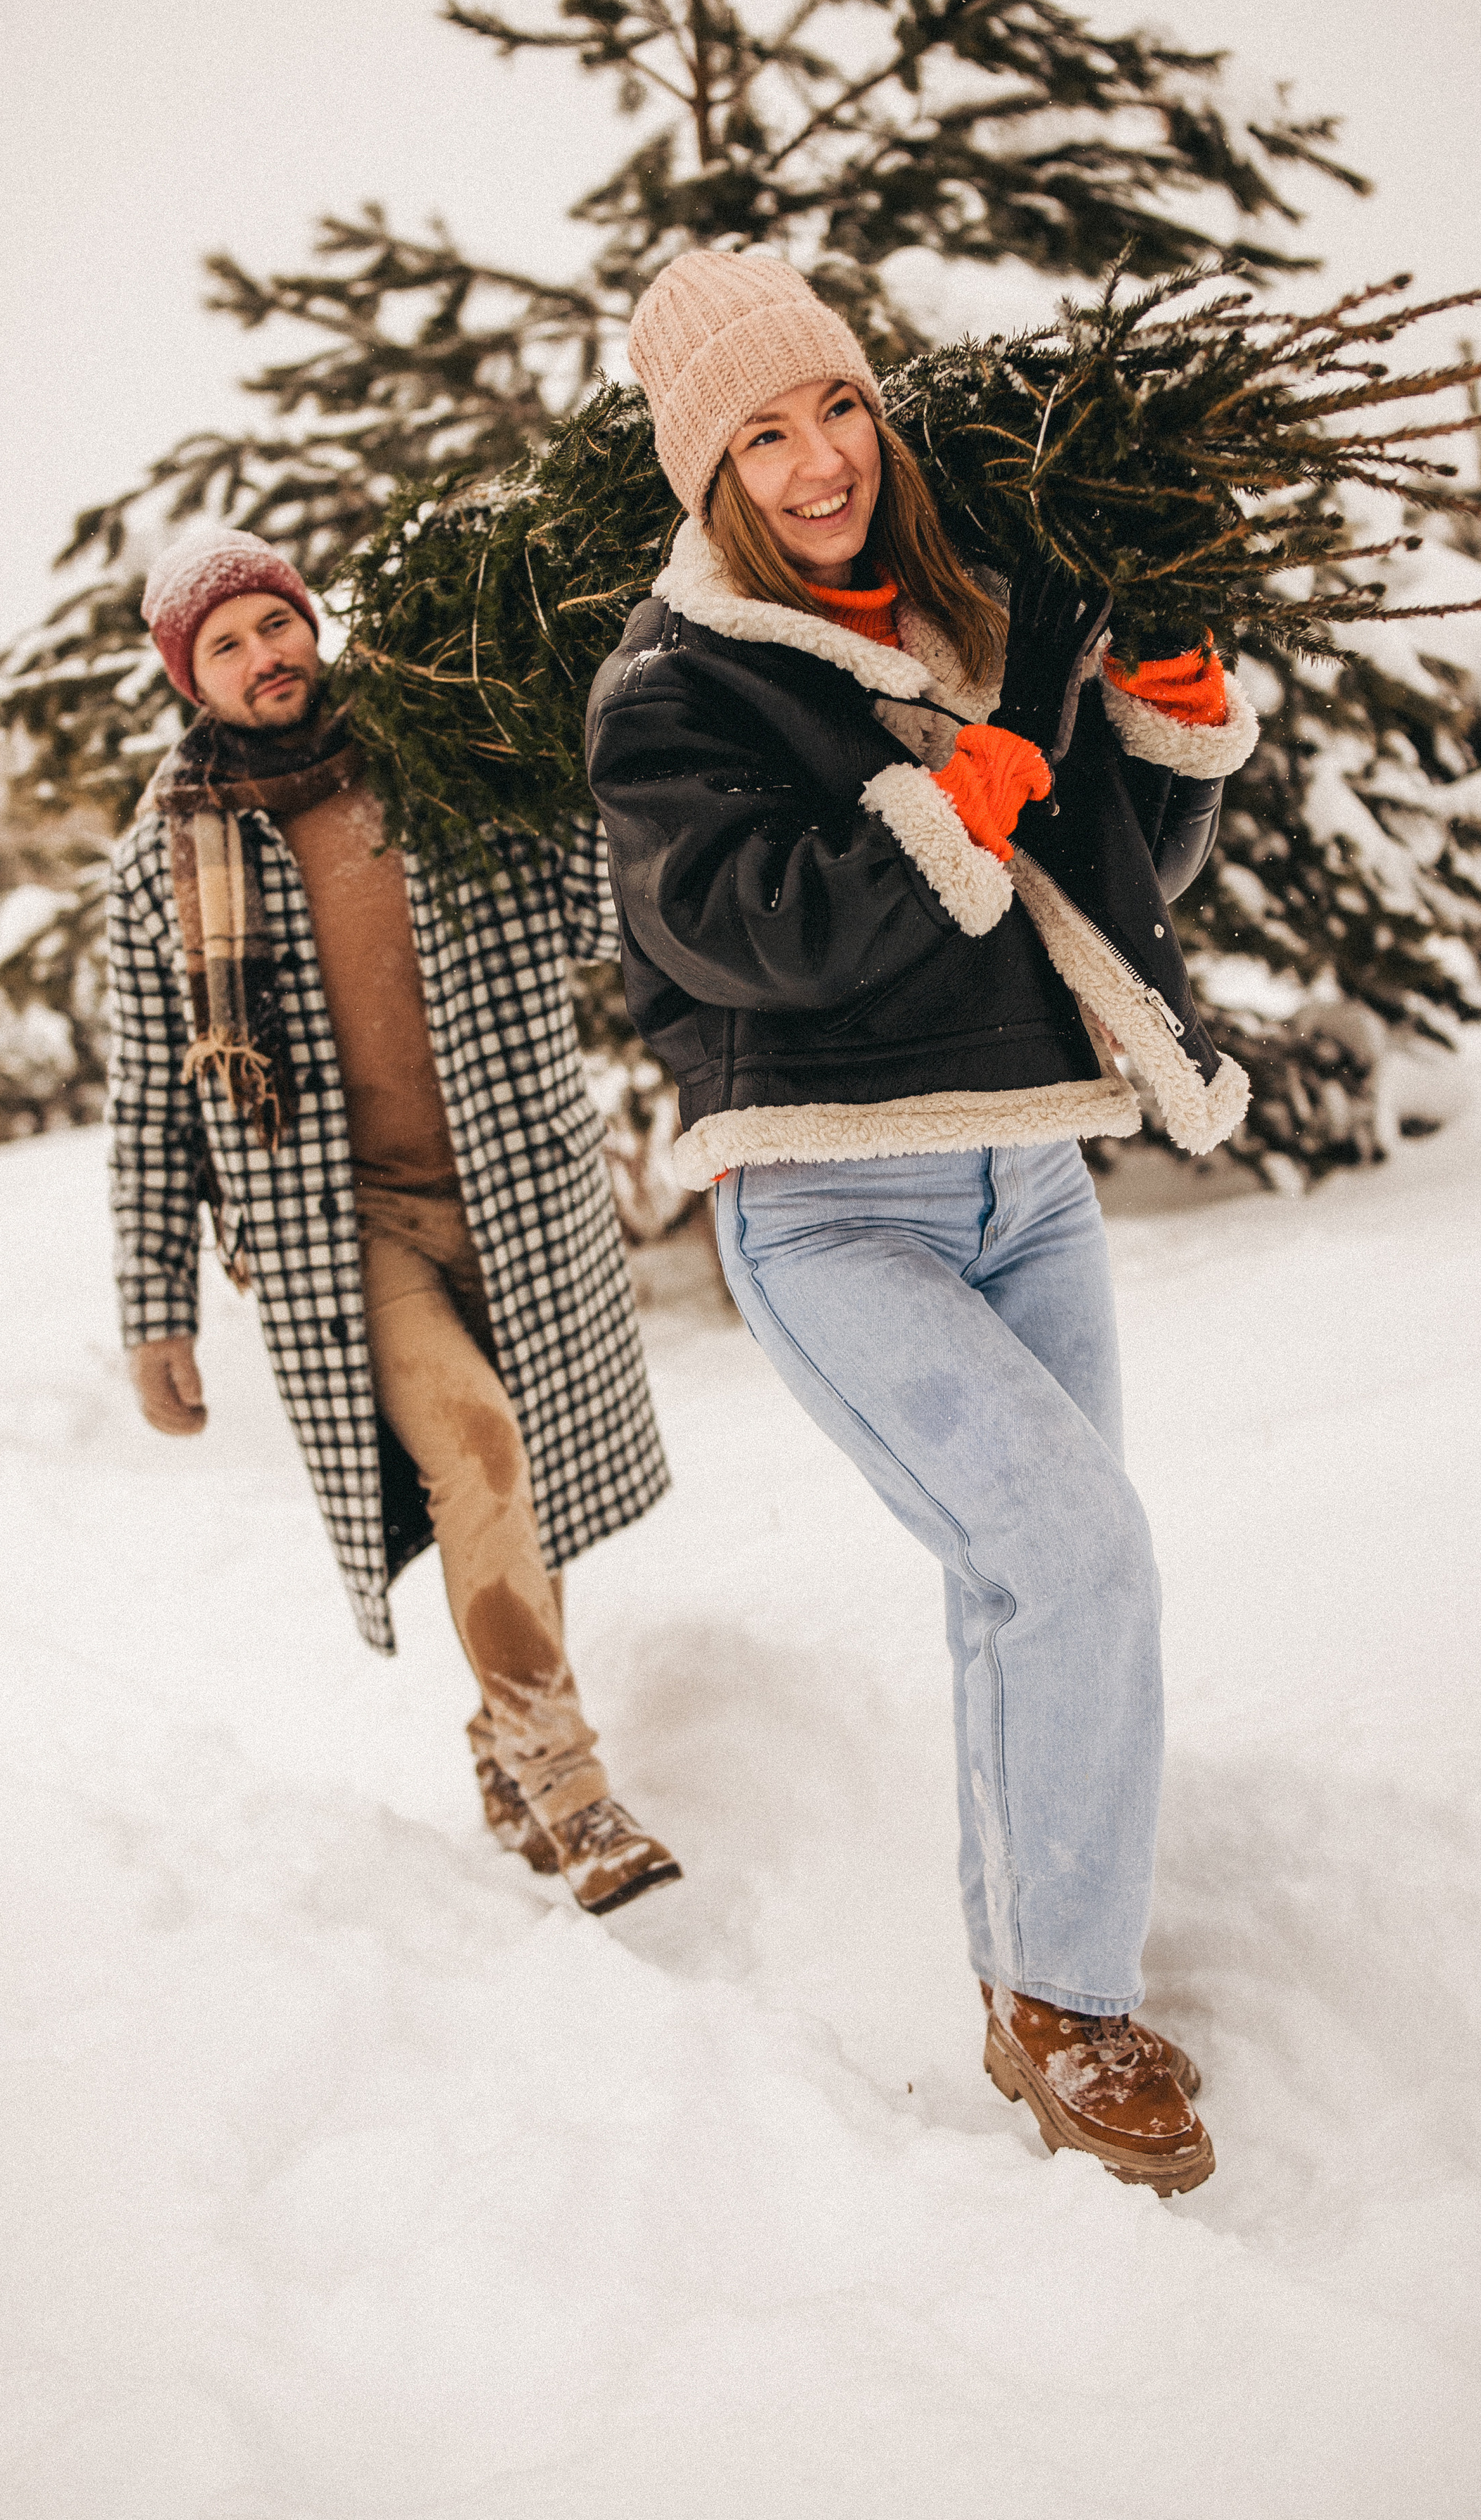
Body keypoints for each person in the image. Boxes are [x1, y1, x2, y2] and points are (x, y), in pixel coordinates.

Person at [587, 251, 1262, 2188]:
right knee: (1080, 1553)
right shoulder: (671, 687)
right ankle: (1068, 2006)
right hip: (832, 1206)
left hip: (1028, 1174)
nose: (822, 463)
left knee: (1028, 1583)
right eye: (765, 436)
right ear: (708, 471)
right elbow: (757, 930)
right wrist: (945, 800)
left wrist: (1158, 720)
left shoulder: (971, 612)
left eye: (839, 410)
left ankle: (1025, 1974)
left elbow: (1095, 867)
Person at [108, 526, 680, 1915]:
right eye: (226, 645)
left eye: (275, 623)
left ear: (310, 622)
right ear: (191, 678)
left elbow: (598, 913)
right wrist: (155, 1314)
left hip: (518, 1186)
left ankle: (503, 1735)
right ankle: (571, 1789)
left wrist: (552, 742)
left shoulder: (439, 751)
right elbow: (150, 1103)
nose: (264, 656)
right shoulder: (162, 862)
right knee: (479, 1451)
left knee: (527, 1484)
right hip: (344, 1230)